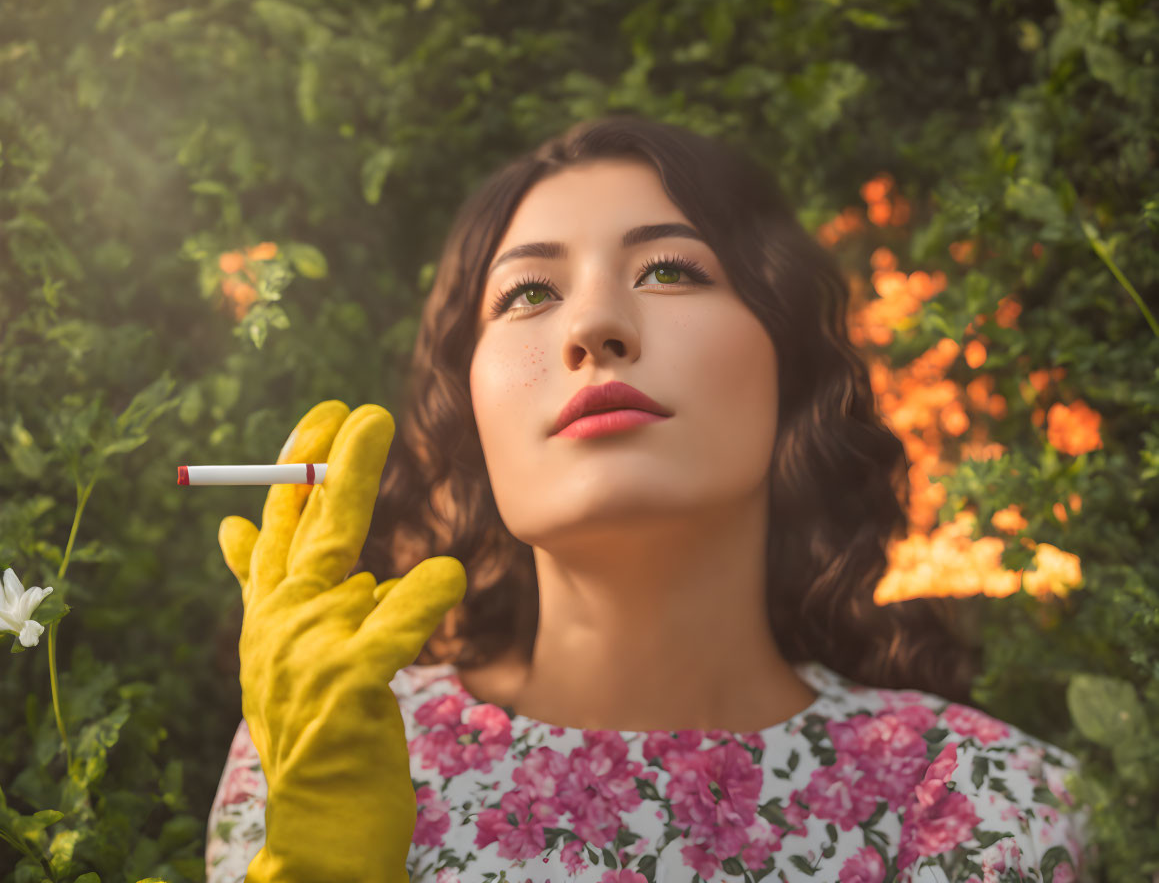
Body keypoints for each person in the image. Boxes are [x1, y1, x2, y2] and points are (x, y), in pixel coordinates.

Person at [205, 115, 1094, 882]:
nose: (591, 327)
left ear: (787, 368)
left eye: (669, 271)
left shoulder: (992, 802)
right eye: (527, 294)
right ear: (470, 412)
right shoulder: (321, 745)